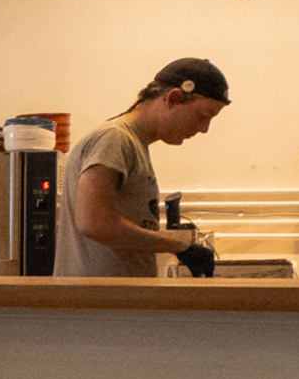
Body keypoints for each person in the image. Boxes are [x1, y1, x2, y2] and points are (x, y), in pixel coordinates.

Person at [58, 57, 228, 278]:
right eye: (203, 116)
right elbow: (95, 224)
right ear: (174, 98)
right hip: (100, 305)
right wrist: (178, 246)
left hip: (113, 304)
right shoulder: (114, 139)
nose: (204, 128)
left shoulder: (132, 144)